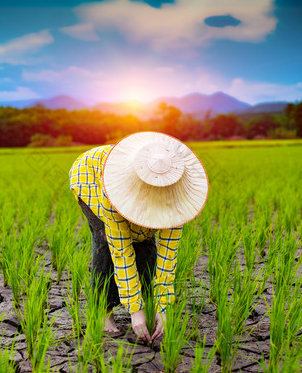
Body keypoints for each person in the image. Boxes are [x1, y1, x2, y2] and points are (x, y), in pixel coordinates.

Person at [69, 131, 209, 343]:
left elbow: (168, 256)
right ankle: (103, 313)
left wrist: (163, 308)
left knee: (145, 243)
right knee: (105, 244)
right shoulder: (111, 199)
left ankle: (149, 305)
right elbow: (122, 253)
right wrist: (135, 313)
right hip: (90, 178)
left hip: (129, 178)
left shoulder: (177, 200)